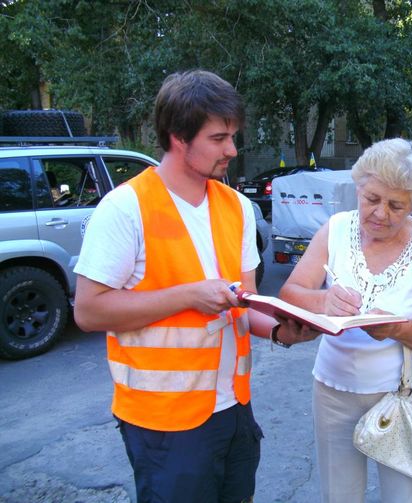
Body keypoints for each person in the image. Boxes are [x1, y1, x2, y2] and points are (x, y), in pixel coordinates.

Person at [73, 69, 316, 503]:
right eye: (219, 138)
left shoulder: (236, 207)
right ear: (178, 137)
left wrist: (282, 330)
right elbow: (89, 311)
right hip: (162, 421)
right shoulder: (125, 208)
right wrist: (188, 295)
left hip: (234, 409)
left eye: (233, 135)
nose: (232, 150)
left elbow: (242, 305)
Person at [279, 138, 412, 503]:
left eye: (396, 205)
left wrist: (397, 329)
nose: (381, 213)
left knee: (407, 498)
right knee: (339, 496)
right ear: (358, 188)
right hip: (334, 390)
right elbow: (291, 293)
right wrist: (324, 301)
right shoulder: (336, 229)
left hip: (406, 396)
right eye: (372, 199)